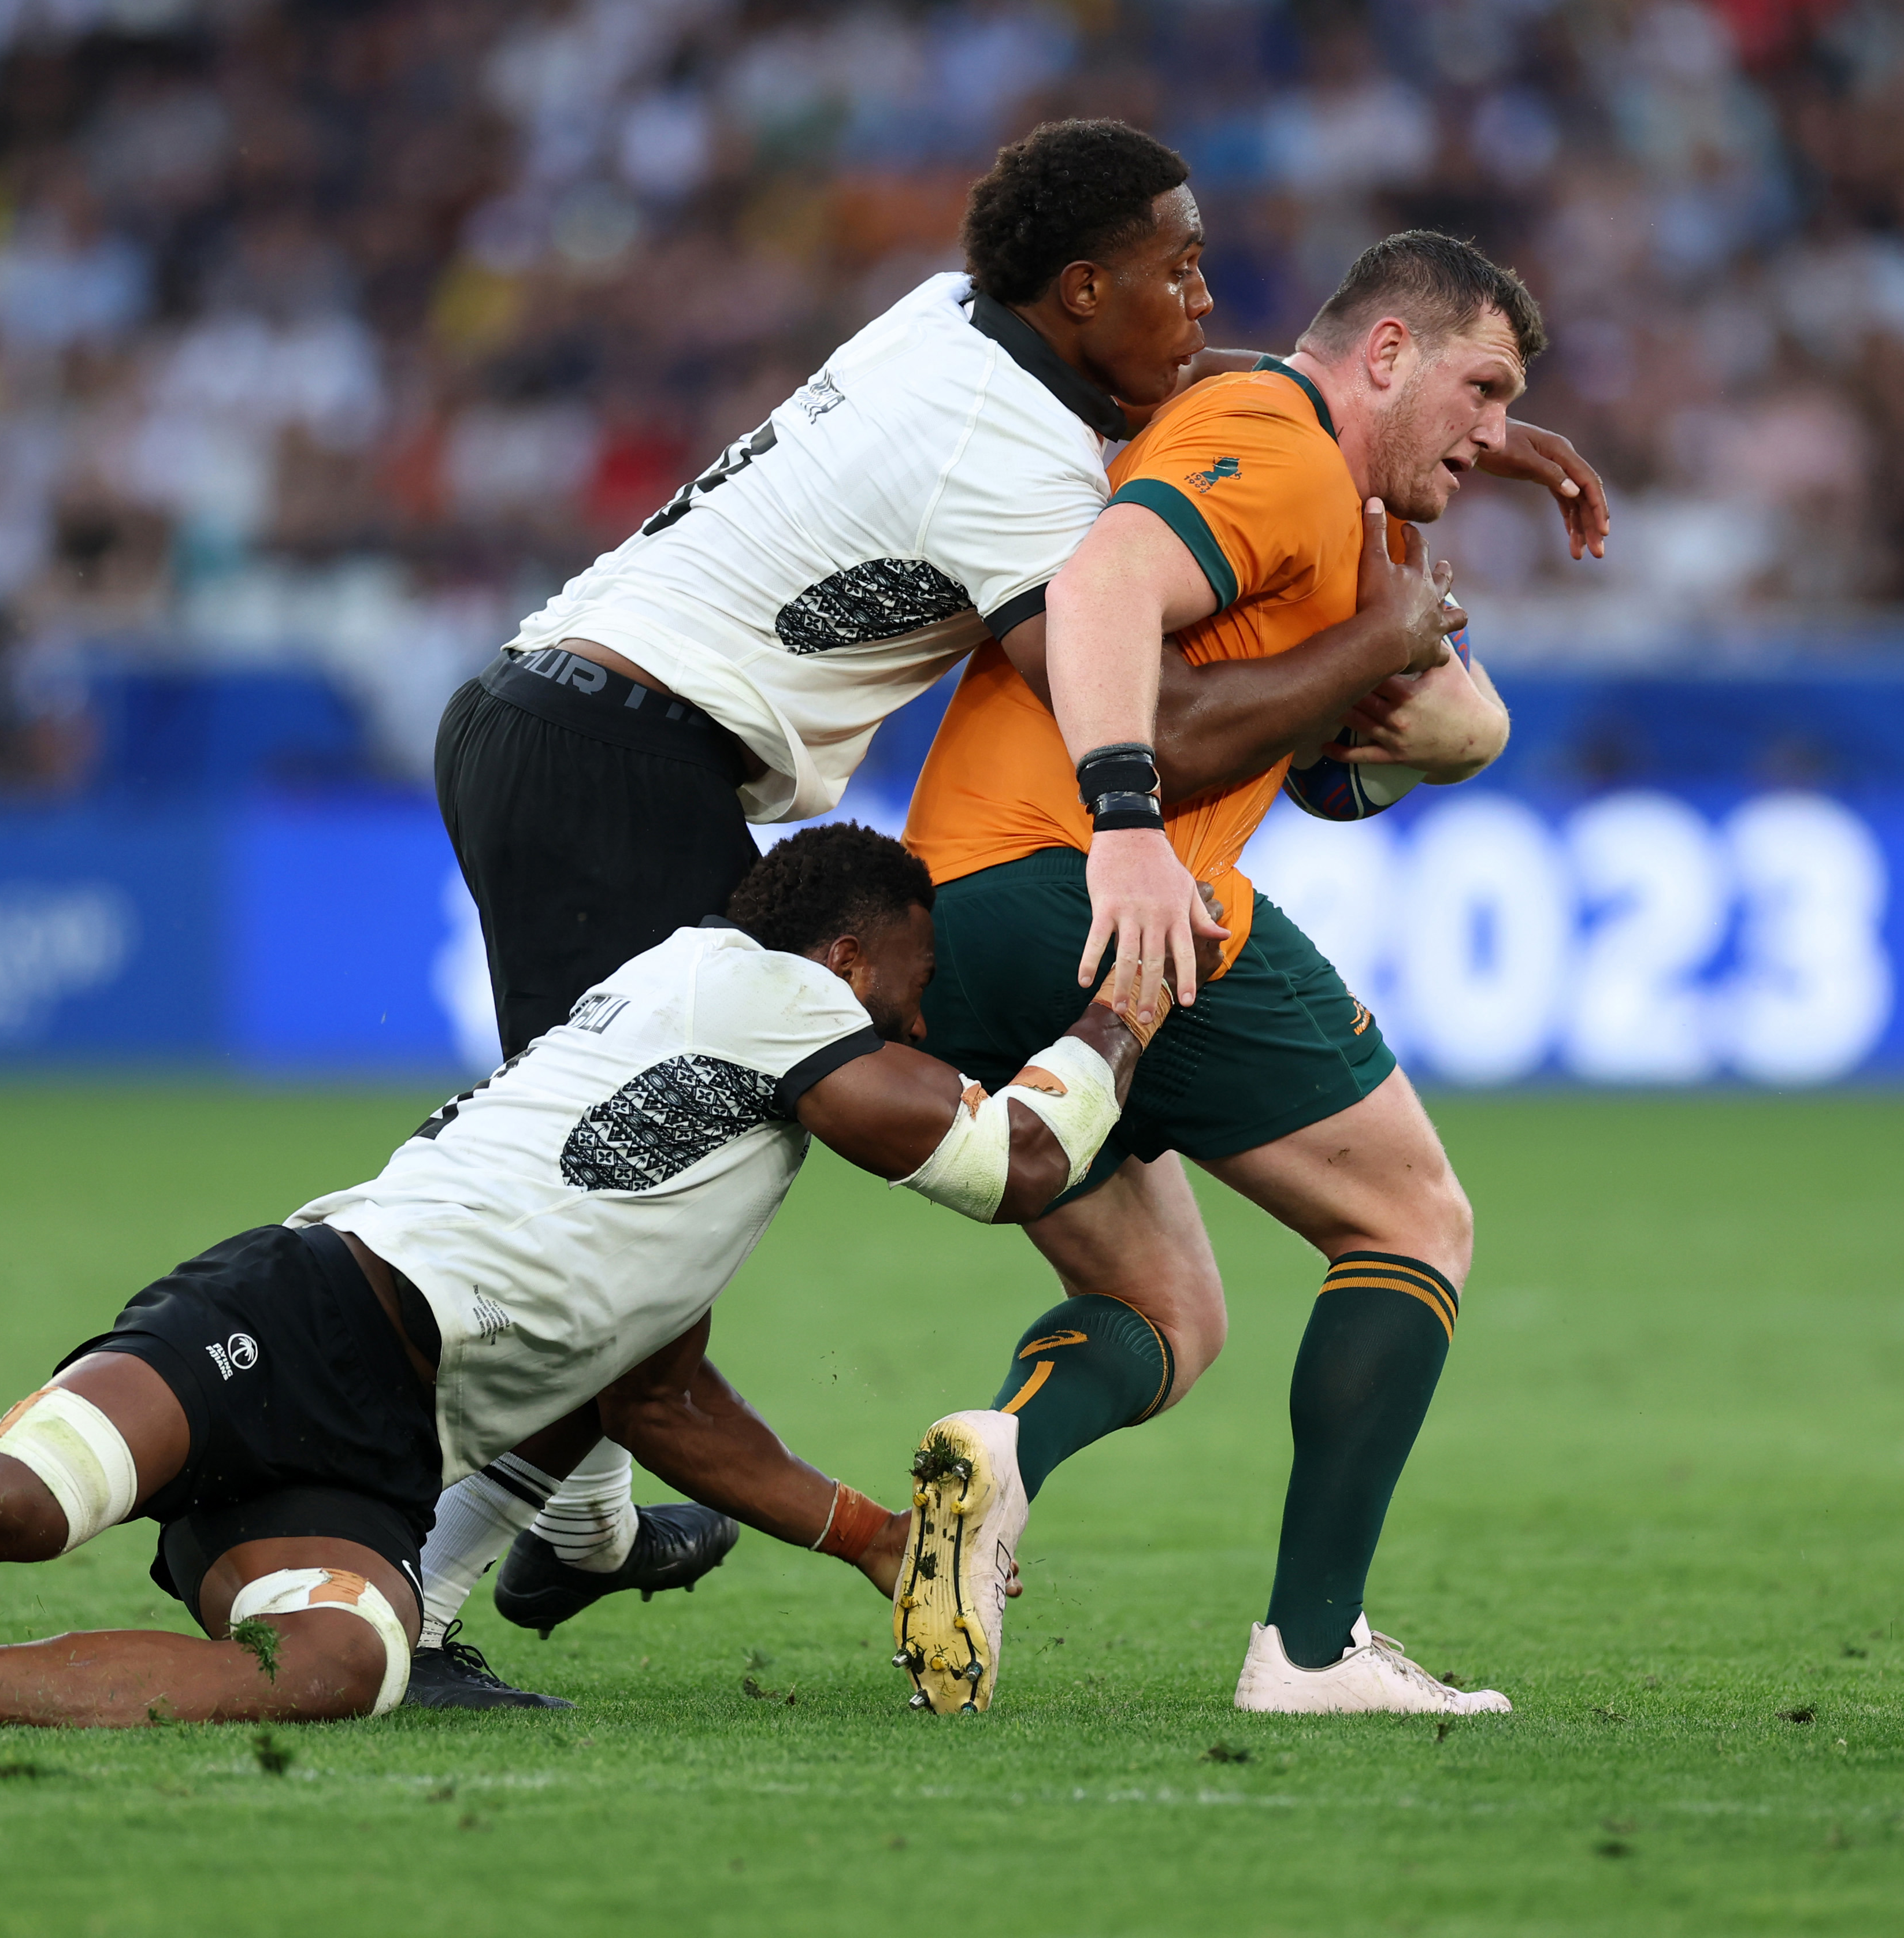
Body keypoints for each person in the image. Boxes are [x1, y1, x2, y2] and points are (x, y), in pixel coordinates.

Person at [418, 120, 1606, 1698]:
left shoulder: (957, 320)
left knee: (1137, 1300)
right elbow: (1155, 702)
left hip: (641, 751)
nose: (1200, 310)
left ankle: (590, 1515)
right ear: (1078, 286)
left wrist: (1445, 433)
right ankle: (425, 1576)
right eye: (1174, 276)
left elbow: (1253, 401)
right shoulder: (1031, 472)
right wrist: (1368, 646)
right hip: (628, 762)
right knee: (617, 1201)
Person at [0, 828, 1175, 1732]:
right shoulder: (771, 988)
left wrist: (873, 1539)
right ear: (845, 954)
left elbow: (653, 1396)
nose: (921, 1020)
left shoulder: (714, 1077)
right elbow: (1002, 1164)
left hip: (382, 1444)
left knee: (335, 1665)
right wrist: (1123, 1008)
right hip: (313, 1305)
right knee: (8, 1500)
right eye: (912, 983)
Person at [886, 231, 1549, 1717]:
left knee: (1169, 1314)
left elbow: (1456, 726)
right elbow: (1114, 579)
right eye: (1483, 389)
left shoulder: (1270, 451)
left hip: (957, 914)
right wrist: (1128, 826)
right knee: (1408, 1215)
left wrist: (1457, 493)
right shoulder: (1279, 438)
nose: (1496, 433)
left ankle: (999, 1453)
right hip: (1100, 882)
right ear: (1384, 355)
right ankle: (1312, 1652)